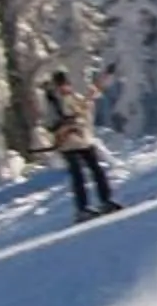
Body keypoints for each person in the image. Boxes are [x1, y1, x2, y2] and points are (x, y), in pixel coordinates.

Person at [44, 67, 119, 220]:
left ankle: (105, 200)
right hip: (67, 144)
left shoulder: (74, 98)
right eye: (60, 84)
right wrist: (63, 124)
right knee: (78, 175)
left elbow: (89, 99)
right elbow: (49, 124)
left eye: (65, 83)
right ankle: (82, 209)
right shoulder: (53, 103)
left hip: (84, 140)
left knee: (97, 170)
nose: (64, 87)